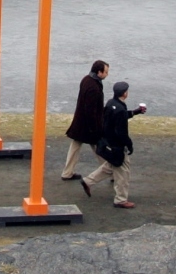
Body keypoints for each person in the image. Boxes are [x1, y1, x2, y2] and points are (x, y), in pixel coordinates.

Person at [80, 81, 146, 209]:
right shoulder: (120, 109)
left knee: (110, 166)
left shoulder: (111, 103)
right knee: (123, 173)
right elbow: (122, 131)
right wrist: (129, 144)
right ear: (125, 93)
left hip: (108, 144)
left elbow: (115, 119)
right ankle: (120, 200)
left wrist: (135, 112)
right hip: (118, 147)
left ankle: (88, 181)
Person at [61, 59, 109, 181]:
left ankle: (67, 172)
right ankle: (111, 171)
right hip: (89, 125)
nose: (107, 74)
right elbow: (91, 110)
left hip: (80, 123)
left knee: (75, 147)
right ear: (99, 72)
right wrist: (96, 128)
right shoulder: (94, 87)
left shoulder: (86, 80)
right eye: (106, 72)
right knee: (99, 148)